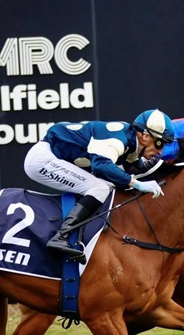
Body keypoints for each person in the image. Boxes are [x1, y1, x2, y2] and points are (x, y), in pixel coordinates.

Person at [24, 109, 176, 259]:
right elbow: (101, 166)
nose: (160, 151)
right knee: (100, 187)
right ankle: (61, 236)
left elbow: (137, 168)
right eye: (159, 143)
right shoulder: (117, 139)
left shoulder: (131, 142)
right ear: (145, 135)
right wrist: (137, 184)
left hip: (57, 157)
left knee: (108, 185)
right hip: (43, 159)